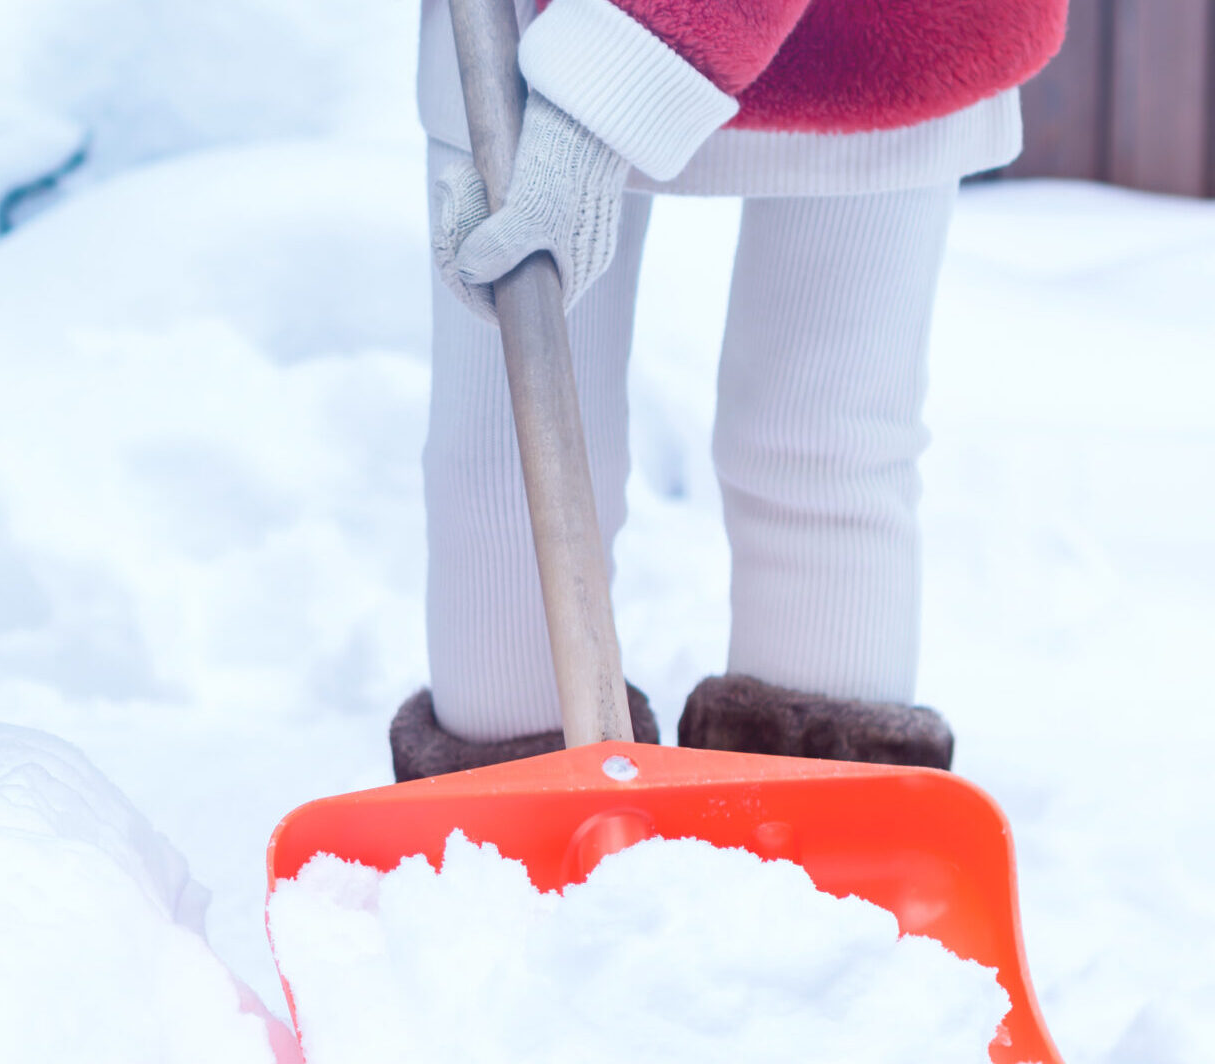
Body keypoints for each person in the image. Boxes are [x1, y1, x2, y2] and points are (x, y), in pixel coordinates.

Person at [391, 0, 1066, 781]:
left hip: (878, 32)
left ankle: (818, 855)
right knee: (507, 461)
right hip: (510, 28)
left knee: (819, 447)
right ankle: (504, 844)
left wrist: (605, 91)